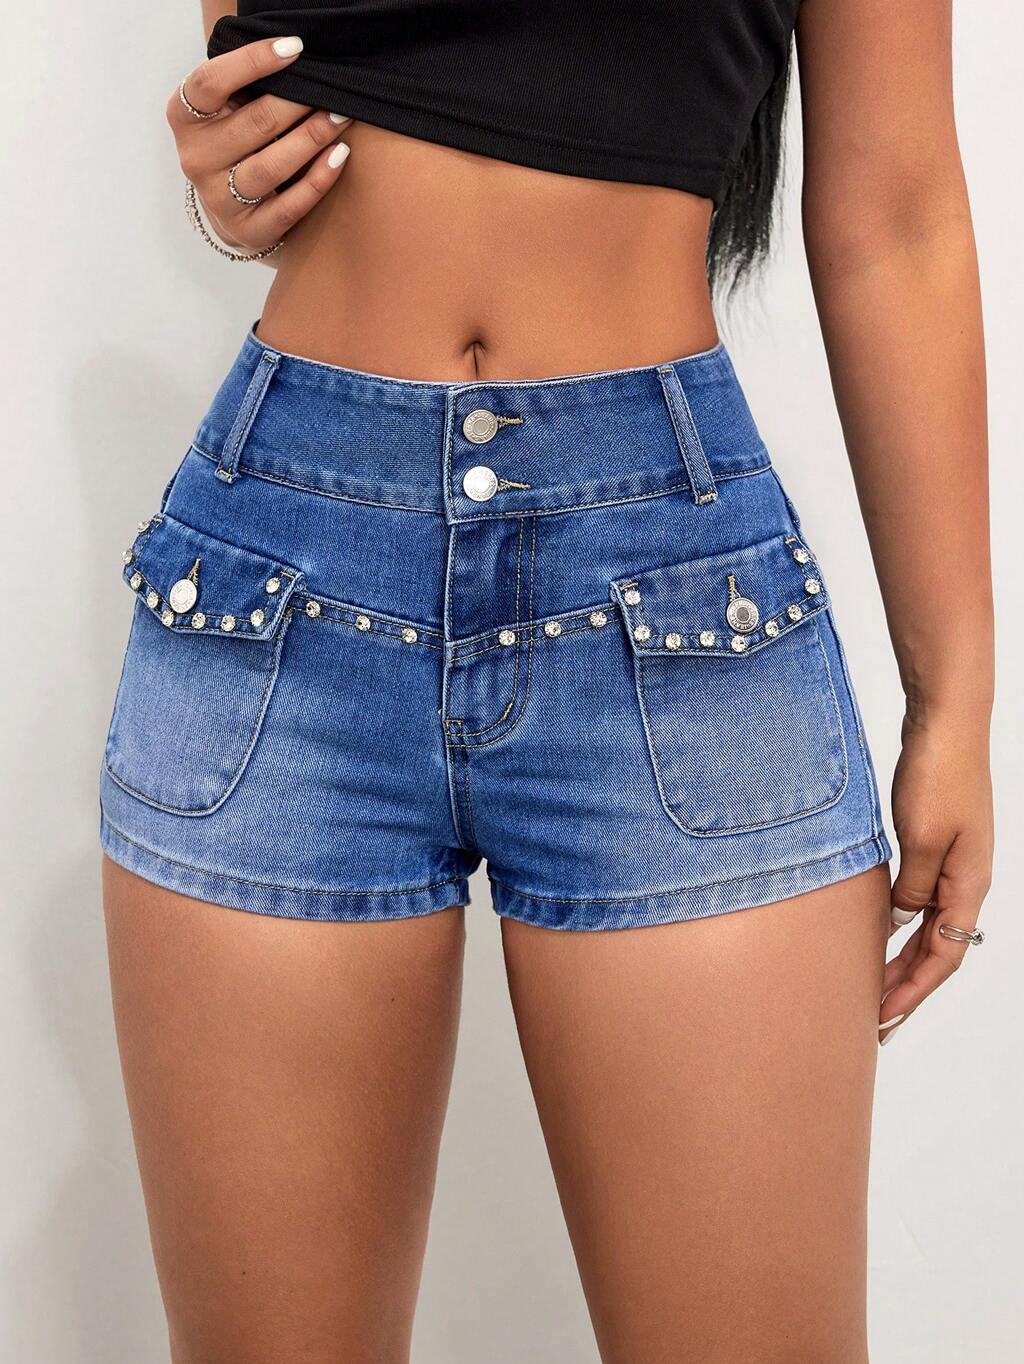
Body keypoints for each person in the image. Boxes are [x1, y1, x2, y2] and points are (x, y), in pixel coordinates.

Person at [99, 3, 994, 1360]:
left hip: (675, 600)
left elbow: (899, 217)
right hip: (281, 571)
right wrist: (224, 177)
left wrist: (956, 698)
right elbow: (247, 82)